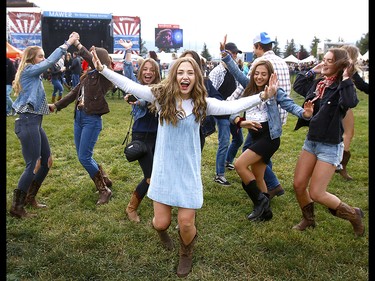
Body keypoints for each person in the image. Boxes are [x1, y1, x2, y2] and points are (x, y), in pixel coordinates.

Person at [92, 52, 276, 277]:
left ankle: (186, 252)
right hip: (163, 171)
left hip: (188, 173)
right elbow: (130, 84)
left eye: (190, 72)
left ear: (196, 77)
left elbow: (232, 106)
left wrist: (262, 96)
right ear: (174, 76)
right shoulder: (161, 97)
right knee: (161, 223)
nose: (185, 76)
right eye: (180, 72)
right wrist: (103, 70)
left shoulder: (203, 104)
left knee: (186, 223)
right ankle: (162, 232)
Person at [292, 48, 364, 237]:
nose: (324, 63)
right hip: (311, 142)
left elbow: (350, 102)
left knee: (317, 193)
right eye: (323, 59)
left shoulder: (342, 88)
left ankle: (354, 215)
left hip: (329, 146)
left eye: (329, 61)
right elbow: (298, 86)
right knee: (299, 185)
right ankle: (308, 219)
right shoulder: (319, 84)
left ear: (340, 65)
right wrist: (311, 71)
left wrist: (347, 77)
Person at [231, 59, 313, 221]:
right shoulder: (250, 88)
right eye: (257, 73)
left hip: (269, 138)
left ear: (269, 76)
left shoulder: (274, 91)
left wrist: (304, 114)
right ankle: (266, 212)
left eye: (263, 74)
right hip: (254, 137)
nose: (259, 77)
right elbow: (237, 73)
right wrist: (226, 56)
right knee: (258, 175)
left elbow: (289, 105)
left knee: (239, 165)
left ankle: (260, 202)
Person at [9, 32, 80, 218]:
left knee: (46, 162)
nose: (43, 58)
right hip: (27, 123)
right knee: (34, 164)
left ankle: (29, 198)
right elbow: (49, 62)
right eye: (40, 55)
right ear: (32, 59)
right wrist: (68, 43)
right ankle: (17, 207)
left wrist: (47, 106)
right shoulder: (28, 70)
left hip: (35, 122)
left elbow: (32, 97)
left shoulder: (34, 75)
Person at [221, 33, 289, 198]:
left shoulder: (259, 64)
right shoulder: (283, 63)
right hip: (275, 121)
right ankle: (266, 195)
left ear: (259, 46)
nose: (259, 77)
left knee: (246, 157)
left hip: (264, 123)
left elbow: (244, 84)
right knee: (259, 161)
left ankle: (267, 191)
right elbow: (287, 96)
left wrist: (229, 103)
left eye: (254, 47)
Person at [48, 39, 114, 205]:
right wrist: (56, 105)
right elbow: (73, 94)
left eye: (93, 56)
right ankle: (104, 178)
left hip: (91, 120)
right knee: (84, 155)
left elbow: (93, 60)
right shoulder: (88, 76)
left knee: (84, 157)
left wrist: (77, 44)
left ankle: (104, 190)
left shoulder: (103, 76)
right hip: (79, 118)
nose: (89, 58)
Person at [119, 39, 161, 222]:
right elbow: (127, 71)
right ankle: (131, 208)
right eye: (145, 69)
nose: (148, 72)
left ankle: (159, 209)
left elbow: (152, 100)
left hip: (159, 137)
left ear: (156, 73)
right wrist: (129, 51)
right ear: (141, 72)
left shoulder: (160, 89)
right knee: (151, 176)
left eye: (152, 70)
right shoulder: (136, 88)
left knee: (157, 175)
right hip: (141, 137)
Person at [209, 42, 244, 186]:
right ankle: (219, 174)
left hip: (232, 109)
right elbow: (210, 92)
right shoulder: (217, 72)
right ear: (225, 53)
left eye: (236, 53)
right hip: (221, 112)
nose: (235, 55)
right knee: (224, 142)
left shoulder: (234, 70)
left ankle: (228, 161)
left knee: (238, 139)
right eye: (233, 53)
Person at [336, 45, 369, 180]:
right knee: (348, 134)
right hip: (343, 103)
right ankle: (340, 166)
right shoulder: (348, 69)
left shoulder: (335, 67)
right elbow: (362, 85)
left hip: (329, 104)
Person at [179, 50, 223, 150]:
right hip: (179, 130)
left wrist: (203, 101)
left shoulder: (205, 82)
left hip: (199, 130)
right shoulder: (175, 83)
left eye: (191, 61)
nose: (188, 64)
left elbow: (218, 100)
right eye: (185, 60)